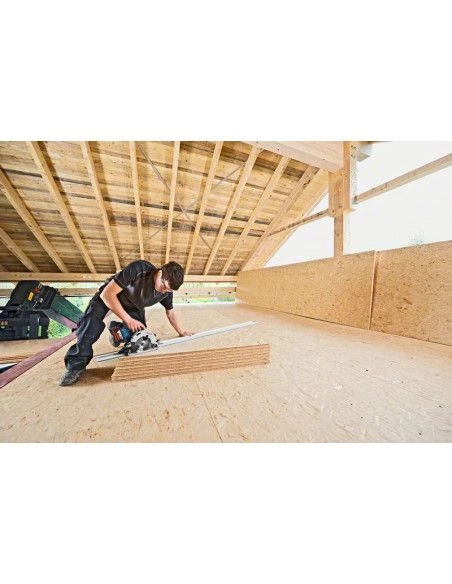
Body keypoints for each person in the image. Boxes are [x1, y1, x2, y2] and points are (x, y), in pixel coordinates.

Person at [60, 260, 193, 386]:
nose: (163, 291)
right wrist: (128, 319)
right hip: (108, 296)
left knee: (140, 338)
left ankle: (117, 332)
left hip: (133, 306)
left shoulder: (166, 292)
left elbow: (170, 313)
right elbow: (107, 295)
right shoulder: (139, 269)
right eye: (163, 286)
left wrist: (181, 332)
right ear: (161, 272)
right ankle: (75, 367)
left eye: (168, 290)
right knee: (90, 326)